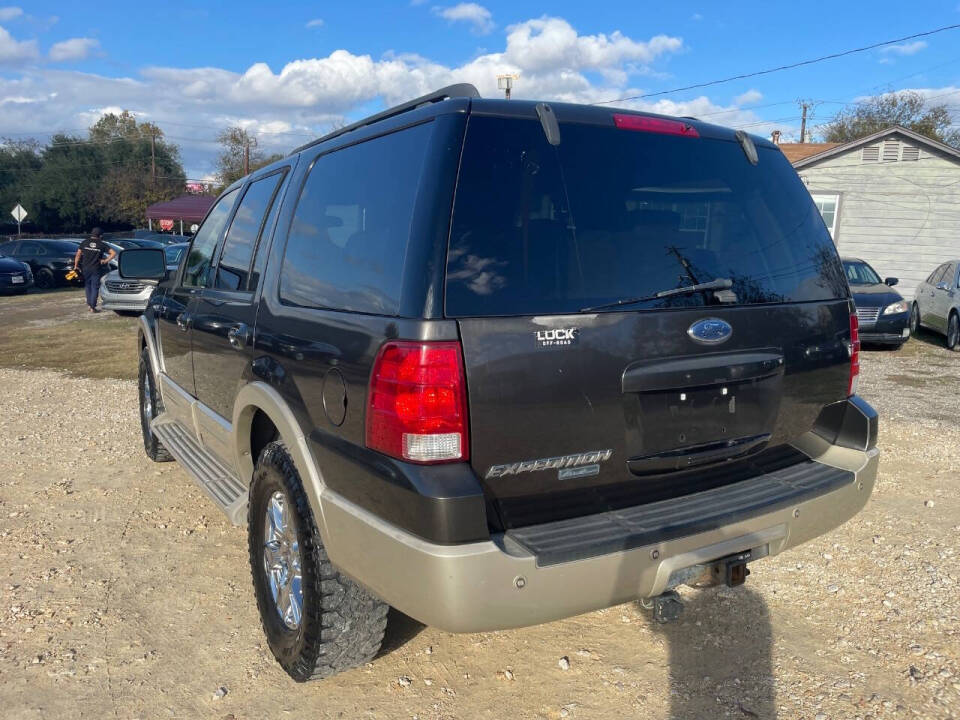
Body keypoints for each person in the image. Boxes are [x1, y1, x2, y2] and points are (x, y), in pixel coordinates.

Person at [73, 227, 116, 312]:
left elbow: (78, 255)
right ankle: (92, 306)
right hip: (96, 268)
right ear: (100, 235)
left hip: (85, 268)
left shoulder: (84, 242)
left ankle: (90, 305)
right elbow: (113, 253)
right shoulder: (101, 244)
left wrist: (76, 266)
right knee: (95, 287)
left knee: (88, 286)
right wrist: (105, 261)